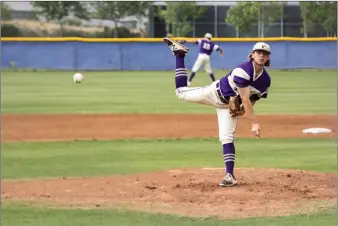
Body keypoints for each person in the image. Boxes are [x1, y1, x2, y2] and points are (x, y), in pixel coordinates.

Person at [163, 37, 271, 187]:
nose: (261, 55)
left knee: (227, 137)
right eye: (258, 52)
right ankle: (180, 55)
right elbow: (245, 98)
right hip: (214, 93)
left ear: (268, 58)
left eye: (265, 53)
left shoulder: (265, 80)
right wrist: (254, 122)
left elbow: (253, 98)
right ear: (252, 55)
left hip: (227, 107)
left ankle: (229, 176)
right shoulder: (243, 70)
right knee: (181, 93)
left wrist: (240, 110)